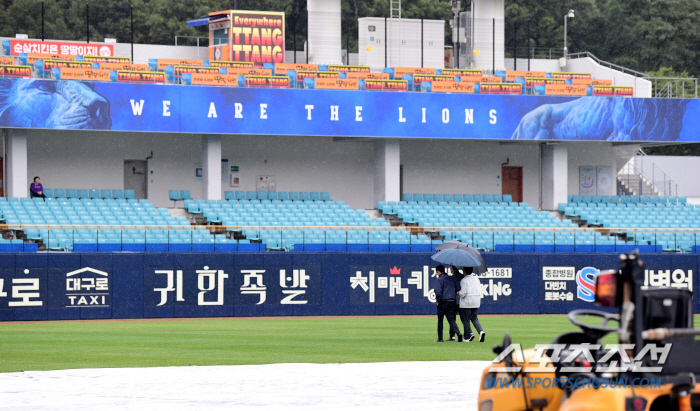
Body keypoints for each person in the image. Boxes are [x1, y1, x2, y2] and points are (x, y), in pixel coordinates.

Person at [434, 264, 463, 342]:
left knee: (440, 320)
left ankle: (440, 338)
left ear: (438, 272)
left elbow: (438, 291)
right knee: (451, 320)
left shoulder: (440, 279)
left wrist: (438, 300)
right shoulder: (451, 278)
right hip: (452, 301)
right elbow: (458, 288)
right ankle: (458, 333)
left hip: (443, 301)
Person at [457, 267, 485, 342]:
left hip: (467, 302)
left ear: (464, 271)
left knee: (466, 319)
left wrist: (458, 293)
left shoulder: (464, 280)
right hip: (476, 301)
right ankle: (481, 332)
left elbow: (463, 293)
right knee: (474, 318)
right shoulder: (476, 279)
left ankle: (466, 337)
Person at [448, 266, 464, 341]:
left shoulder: (452, 277)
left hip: (454, 300)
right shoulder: (462, 276)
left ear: (452, 269)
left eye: (450, 268)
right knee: (464, 318)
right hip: (463, 299)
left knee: (452, 319)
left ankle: (452, 336)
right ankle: (468, 334)